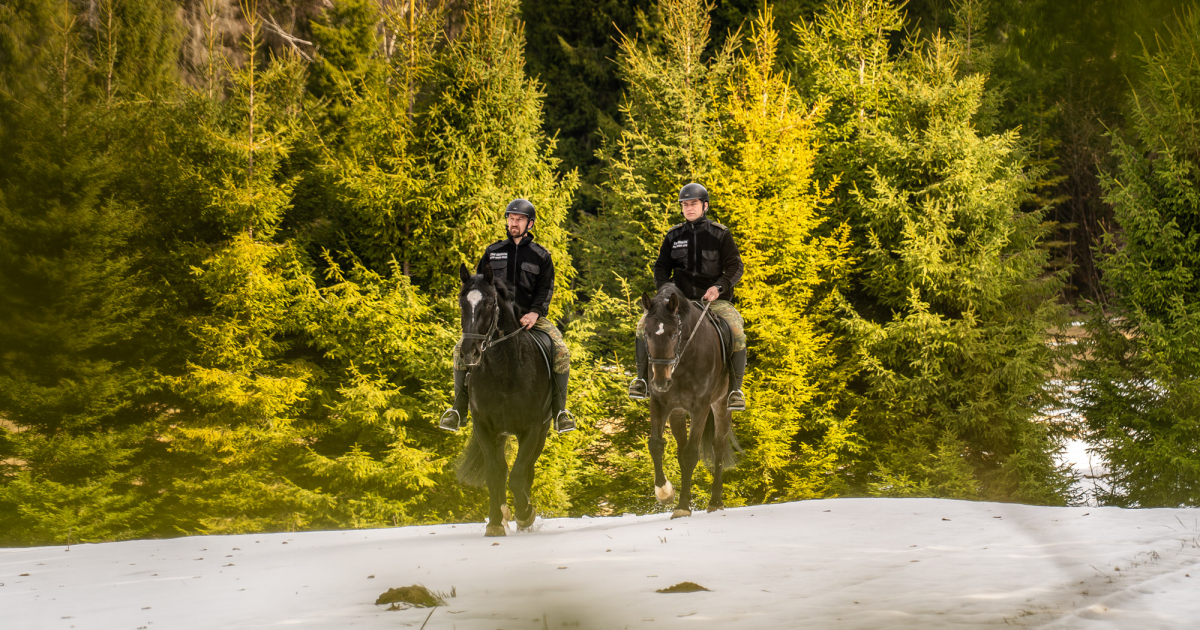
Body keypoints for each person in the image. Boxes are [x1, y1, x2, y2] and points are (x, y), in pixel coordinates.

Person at [439, 199, 575, 433]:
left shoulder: (541, 255)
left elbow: (546, 289)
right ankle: (458, 409)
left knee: (562, 351)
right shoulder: (493, 252)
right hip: (494, 321)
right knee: (459, 350)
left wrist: (535, 313)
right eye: (511, 218)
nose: (514, 223)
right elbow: (478, 286)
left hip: (529, 319)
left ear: (529, 224)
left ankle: (560, 411)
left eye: (519, 219)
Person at [628, 183, 748, 410]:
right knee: (642, 325)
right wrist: (665, 290)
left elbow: (736, 267)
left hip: (713, 301)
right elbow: (661, 268)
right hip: (678, 303)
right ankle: (642, 380)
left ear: (705, 206)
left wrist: (719, 287)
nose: (689, 208)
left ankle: (735, 390)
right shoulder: (673, 235)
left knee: (736, 330)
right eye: (685, 205)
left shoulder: (720, 234)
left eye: (693, 204)